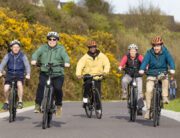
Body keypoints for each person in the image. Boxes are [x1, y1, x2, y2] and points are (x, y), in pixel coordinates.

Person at [31, 31, 70, 116]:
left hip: (57, 74)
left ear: (57, 40)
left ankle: (59, 106)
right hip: (45, 72)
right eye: (50, 39)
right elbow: (35, 54)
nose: (51, 41)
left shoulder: (61, 48)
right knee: (41, 86)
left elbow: (65, 56)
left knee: (58, 88)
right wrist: (34, 60)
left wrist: (66, 62)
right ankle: (37, 105)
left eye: (54, 39)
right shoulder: (42, 47)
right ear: (47, 40)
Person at [139, 36, 175, 119]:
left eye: (158, 45)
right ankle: (148, 111)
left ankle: (165, 97)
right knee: (148, 91)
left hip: (162, 72)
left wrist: (172, 68)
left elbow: (170, 60)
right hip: (151, 74)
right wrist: (141, 69)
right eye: (154, 46)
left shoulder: (166, 52)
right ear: (153, 46)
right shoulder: (149, 53)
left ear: (161, 45)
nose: (156, 48)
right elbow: (144, 62)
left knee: (165, 79)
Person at [76, 41, 110, 109]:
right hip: (88, 76)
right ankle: (85, 101)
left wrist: (105, 72)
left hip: (98, 76)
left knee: (97, 94)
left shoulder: (101, 55)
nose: (92, 48)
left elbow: (107, 63)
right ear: (89, 48)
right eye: (91, 47)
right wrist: (78, 74)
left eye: (94, 47)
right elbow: (79, 65)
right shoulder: (85, 57)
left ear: (96, 47)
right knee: (87, 88)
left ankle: (98, 108)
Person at [0, 40, 31, 110]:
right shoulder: (8, 55)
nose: (16, 49)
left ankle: (20, 101)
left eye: (17, 47)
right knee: (6, 88)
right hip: (9, 74)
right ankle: (6, 102)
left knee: (19, 84)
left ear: (19, 48)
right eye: (14, 47)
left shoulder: (23, 56)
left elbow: (27, 65)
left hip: (20, 74)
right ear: (11, 48)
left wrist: (28, 74)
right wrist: (0, 71)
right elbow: (2, 64)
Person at [118, 44, 144, 115]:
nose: (132, 52)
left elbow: (144, 63)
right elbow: (122, 63)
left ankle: (140, 108)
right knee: (124, 80)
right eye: (131, 51)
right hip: (129, 75)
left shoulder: (139, 56)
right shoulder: (126, 57)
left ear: (136, 51)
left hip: (138, 75)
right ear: (129, 51)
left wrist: (146, 67)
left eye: (134, 51)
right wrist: (120, 67)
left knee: (139, 91)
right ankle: (125, 92)